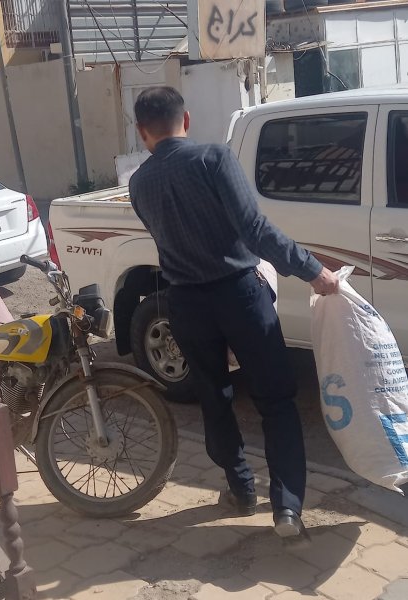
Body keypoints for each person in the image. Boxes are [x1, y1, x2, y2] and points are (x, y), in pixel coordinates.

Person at [129, 86, 338, 540]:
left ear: (142, 132)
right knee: (276, 400)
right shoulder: (214, 158)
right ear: (186, 120)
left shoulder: (139, 183)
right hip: (240, 295)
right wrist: (314, 271)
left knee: (215, 397)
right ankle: (286, 508)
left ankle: (241, 490)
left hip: (186, 303)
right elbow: (255, 229)